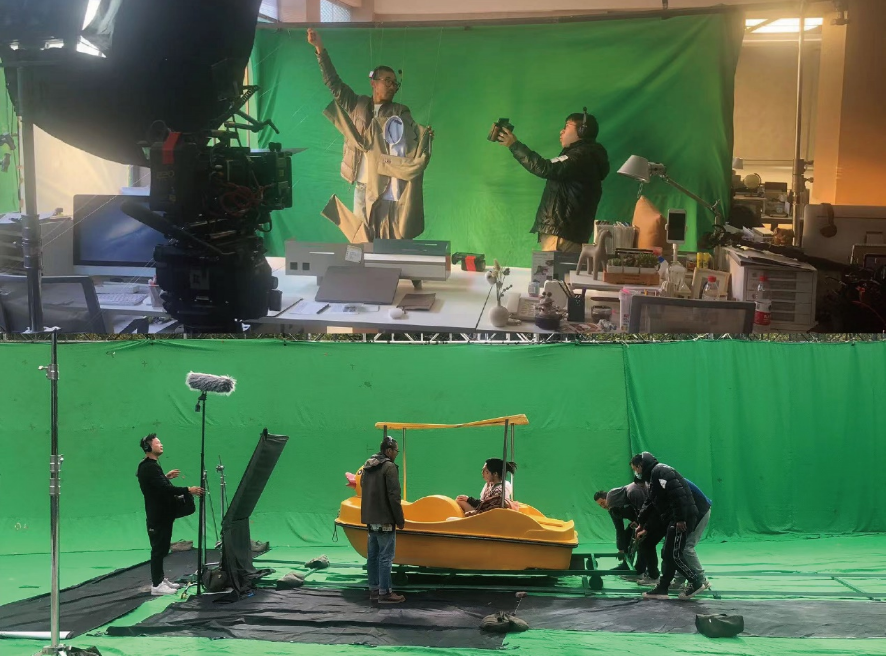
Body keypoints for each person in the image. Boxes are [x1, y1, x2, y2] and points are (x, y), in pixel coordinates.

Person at [307, 28, 432, 241]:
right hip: (361, 185)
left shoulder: (399, 112)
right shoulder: (357, 105)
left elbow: (411, 141)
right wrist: (319, 48)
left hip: (385, 187)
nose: (392, 86)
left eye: (395, 83)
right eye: (387, 81)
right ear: (373, 82)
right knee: (361, 239)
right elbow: (333, 83)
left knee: (386, 237)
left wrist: (423, 138)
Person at [497, 110, 610, 253]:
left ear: (582, 131)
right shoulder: (583, 156)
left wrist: (514, 145)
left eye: (567, 126)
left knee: (553, 269)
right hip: (565, 235)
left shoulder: (581, 156)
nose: (561, 131)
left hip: (561, 237)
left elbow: (545, 168)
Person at [632, 452, 710, 600]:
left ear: (641, 465)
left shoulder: (661, 472)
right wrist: (642, 523)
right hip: (677, 517)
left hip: (684, 517)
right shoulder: (654, 477)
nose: (636, 472)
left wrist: (680, 519)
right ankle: (663, 587)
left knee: (678, 552)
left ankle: (697, 581)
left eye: (636, 469)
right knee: (668, 553)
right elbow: (651, 503)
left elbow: (678, 494)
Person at [136, 434, 203, 596]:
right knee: (158, 550)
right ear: (148, 447)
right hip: (157, 515)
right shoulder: (149, 467)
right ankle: (157, 586)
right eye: (157, 443)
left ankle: (160, 579)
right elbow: (164, 489)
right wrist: (188, 490)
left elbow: (154, 485)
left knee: (163, 548)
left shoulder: (151, 466)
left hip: (163, 514)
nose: (161, 444)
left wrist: (165, 477)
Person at [360, 435, 406, 604]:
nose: (397, 454)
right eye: (396, 451)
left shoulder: (368, 465)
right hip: (386, 518)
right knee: (386, 556)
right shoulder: (389, 467)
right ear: (388, 451)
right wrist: (399, 519)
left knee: (372, 556)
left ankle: (374, 589)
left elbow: (363, 486)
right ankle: (385, 593)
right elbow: (394, 496)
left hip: (370, 518)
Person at [594, 483, 665, 583]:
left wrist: (640, 523)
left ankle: (642, 571)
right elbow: (619, 528)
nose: (602, 506)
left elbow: (643, 510)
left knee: (643, 544)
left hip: (647, 520)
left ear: (608, 498)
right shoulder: (612, 509)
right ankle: (626, 564)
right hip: (638, 521)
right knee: (627, 536)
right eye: (600, 505)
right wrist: (621, 549)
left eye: (602, 503)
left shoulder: (630, 496)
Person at [672, 479, 712, 588]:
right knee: (681, 547)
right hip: (692, 514)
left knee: (686, 547)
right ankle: (679, 580)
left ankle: (702, 580)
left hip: (700, 512)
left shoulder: (672, 483)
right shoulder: (669, 480)